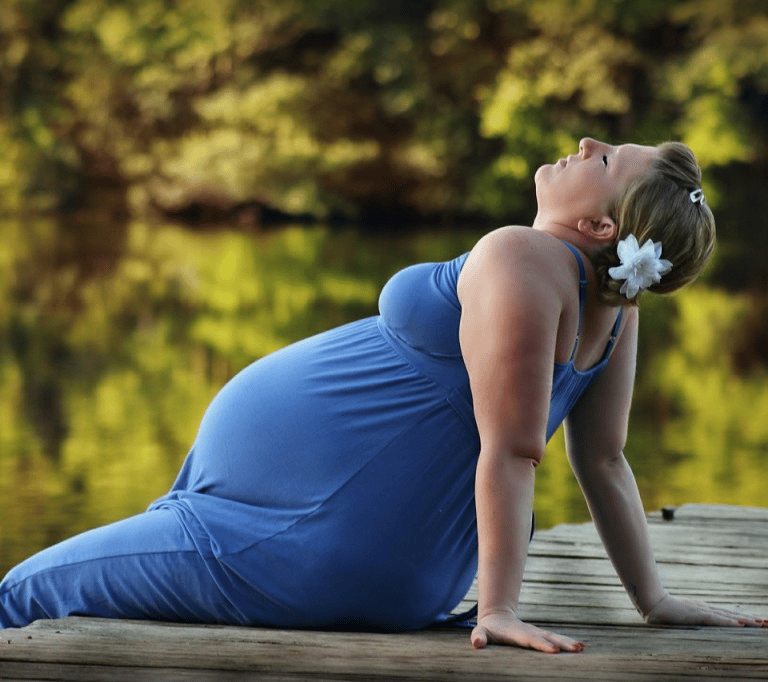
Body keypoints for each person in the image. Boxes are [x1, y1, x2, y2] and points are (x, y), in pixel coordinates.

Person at [0, 138, 764, 653]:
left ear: (600, 225)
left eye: (605, 159)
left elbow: (514, 449)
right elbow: (605, 462)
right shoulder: (615, 309)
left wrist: (497, 609)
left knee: (18, 596)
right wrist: (653, 600)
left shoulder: (522, 256)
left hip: (286, 539)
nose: (589, 143)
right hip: (329, 541)